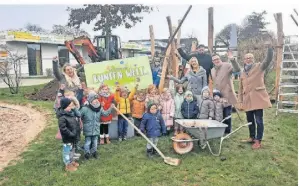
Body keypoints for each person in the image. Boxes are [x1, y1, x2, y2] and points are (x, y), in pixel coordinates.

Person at [239, 46, 274, 149]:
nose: (248, 59)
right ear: (244, 60)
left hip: (258, 98)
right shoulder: (242, 72)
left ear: (253, 59)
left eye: (250, 57)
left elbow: (268, 60)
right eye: (246, 58)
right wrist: (240, 101)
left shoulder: (260, 66)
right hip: (247, 100)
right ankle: (252, 137)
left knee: (259, 120)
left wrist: (270, 50)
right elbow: (240, 88)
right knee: (250, 120)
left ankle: (258, 140)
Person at [209, 51, 241, 134]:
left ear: (220, 58)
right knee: (220, 113)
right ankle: (220, 130)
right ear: (212, 61)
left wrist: (232, 59)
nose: (216, 60)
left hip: (227, 94)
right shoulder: (212, 70)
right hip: (218, 95)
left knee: (227, 114)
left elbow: (237, 69)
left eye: (217, 59)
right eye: (214, 60)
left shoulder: (227, 65)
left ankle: (227, 131)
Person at [80, 92, 114, 160]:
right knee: (88, 142)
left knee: (95, 142)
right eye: (94, 99)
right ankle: (87, 153)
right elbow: (79, 115)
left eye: (96, 99)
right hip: (88, 129)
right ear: (90, 100)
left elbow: (105, 114)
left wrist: (110, 108)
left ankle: (94, 152)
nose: (96, 100)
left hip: (96, 128)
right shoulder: (85, 108)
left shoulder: (99, 108)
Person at [57, 98, 81, 172]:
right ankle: (68, 165)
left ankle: (71, 161)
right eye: (69, 106)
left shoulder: (71, 113)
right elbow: (63, 129)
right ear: (64, 107)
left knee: (72, 150)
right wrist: (71, 134)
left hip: (73, 137)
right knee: (67, 152)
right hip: (68, 138)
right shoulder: (62, 117)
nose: (71, 107)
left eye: (71, 106)